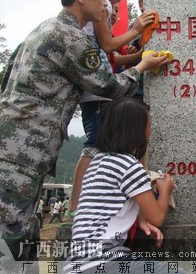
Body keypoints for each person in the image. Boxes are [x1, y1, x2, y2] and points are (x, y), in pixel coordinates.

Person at [0, 0, 170, 269]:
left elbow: (7, 80)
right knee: (3, 239)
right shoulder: (72, 38)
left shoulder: (42, 28)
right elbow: (110, 85)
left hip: (15, 149)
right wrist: (143, 66)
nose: (106, 4)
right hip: (20, 152)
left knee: (19, 235)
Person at [68, 0, 156, 216]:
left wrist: (140, 56)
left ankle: (83, 204)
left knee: (99, 143)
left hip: (94, 88)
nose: (113, 2)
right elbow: (108, 45)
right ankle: (76, 205)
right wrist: (136, 30)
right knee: (95, 143)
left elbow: (111, 57)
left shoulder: (94, 10)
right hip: (98, 89)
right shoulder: (103, 6)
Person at [66, 98, 175, 274]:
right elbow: (157, 217)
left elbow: (108, 204)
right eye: (149, 124)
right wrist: (165, 190)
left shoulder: (97, 162)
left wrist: (139, 220)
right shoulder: (129, 166)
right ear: (137, 131)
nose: (151, 130)